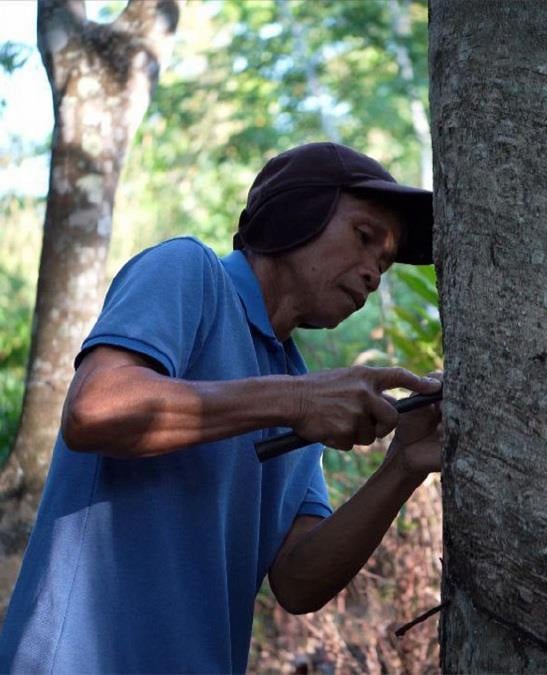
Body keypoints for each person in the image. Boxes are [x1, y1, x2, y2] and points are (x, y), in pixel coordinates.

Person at [0, 142, 444, 674]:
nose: (374, 272)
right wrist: (297, 400)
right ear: (294, 214)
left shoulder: (298, 382)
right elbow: (95, 408)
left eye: (385, 263)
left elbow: (298, 582)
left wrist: (402, 467)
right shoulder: (189, 272)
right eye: (364, 237)